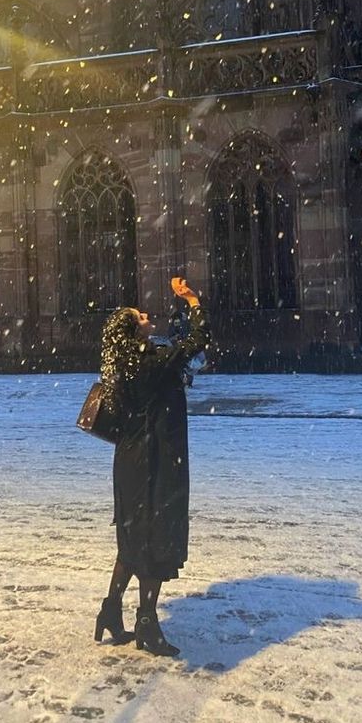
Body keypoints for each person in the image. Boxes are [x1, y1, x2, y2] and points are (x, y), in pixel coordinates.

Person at [94, 276, 210, 656]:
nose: (146, 316)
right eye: (139, 316)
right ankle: (147, 623)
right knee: (158, 538)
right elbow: (196, 342)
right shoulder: (151, 362)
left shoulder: (122, 367)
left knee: (133, 538)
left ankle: (111, 610)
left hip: (129, 460)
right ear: (133, 330)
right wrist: (193, 302)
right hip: (155, 459)